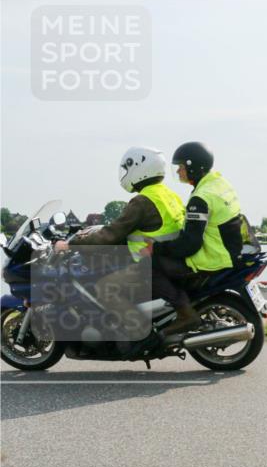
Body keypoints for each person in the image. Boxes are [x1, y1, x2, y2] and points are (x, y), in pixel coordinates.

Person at [55, 146, 186, 353]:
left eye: (127, 168)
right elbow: (144, 229)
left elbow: (111, 234)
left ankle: (141, 334)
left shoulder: (142, 201)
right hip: (169, 261)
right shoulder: (169, 195)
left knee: (105, 287)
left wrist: (70, 245)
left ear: (139, 167)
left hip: (151, 265)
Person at [151, 141, 244, 336]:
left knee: (150, 265)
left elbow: (190, 244)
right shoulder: (219, 184)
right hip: (230, 250)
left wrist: (158, 248)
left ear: (193, 167)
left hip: (212, 257)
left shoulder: (200, 198)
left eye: (181, 167)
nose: (178, 172)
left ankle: (185, 314)